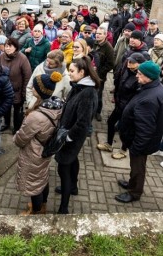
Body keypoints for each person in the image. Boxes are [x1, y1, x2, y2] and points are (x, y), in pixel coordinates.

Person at [115, 61, 163, 203]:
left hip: (140, 142)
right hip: (141, 140)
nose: (137, 76)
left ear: (149, 77)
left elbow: (145, 128)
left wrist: (136, 147)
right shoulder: (154, 87)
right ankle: (132, 183)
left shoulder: (149, 99)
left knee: (138, 167)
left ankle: (134, 192)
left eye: (140, 74)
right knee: (136, 166)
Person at [14, 72, 64, 215]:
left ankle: (36, 212)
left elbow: (20, 139)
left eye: (34, 86)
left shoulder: (36, 116)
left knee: (34, 184)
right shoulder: (56, 105)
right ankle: (43, 205)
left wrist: (15, 138)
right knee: (42, 178)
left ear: (39, 90)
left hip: (33, 153)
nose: (32, 88)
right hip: (45, 150)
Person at [54, 57, 99, 214]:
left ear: (82, 72)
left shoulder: (88, 93)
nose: (68, 73)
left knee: (63, 169)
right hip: (68, 134)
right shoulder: (78, 86)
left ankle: (64, 207)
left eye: (72, 71)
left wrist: (67, 137)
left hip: (71, 138)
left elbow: (82, 123)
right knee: (72, 161)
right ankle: (73, 187)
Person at [98, 53, 145, 158]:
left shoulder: (140, 77)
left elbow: (137, 96)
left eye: (132, 62)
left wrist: (130, 109)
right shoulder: (126, 70)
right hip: (120, 104)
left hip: (128, 108)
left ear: (139, 64)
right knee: (111, 122)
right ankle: (109, 144)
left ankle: (123, 151)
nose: (129, 63)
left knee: (125, 130)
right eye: (129, 61)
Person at [0, 38, 32, 133]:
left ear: (16, 47)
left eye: (10, 46)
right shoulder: (0, 57)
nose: (8, 48)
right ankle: (6, 124)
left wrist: (24, 92)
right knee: (6, 108)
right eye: (6, 46)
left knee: (17, 111)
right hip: (4, 90)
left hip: (17, 90)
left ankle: (17, 127)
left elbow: (27, 76)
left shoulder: (22, 58)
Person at [93, 27, 115, 121]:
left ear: (105, 35)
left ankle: (98, 112)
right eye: (97, 33)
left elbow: (111, 64)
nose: (97, 35)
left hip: (100, 76)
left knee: (98, 95)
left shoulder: (108, 48)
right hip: (90, 73)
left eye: (100, 34)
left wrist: (100, 71)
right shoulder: (94, 43)